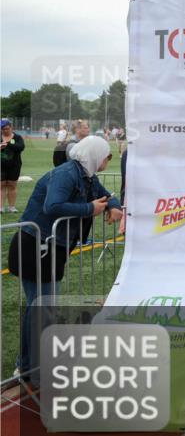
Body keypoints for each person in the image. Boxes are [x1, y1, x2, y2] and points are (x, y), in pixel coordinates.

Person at [7, 136, 122, 384]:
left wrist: (114, 206)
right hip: (35, 246)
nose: (107, 159)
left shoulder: (86, 175)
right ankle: (33, 370)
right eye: (106, 154)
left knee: (40, 307)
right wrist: (90, 209)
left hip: (49, 248)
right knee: (42, 308)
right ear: (93, 154)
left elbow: (105, 194)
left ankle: (27, 366)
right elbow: (53, 206)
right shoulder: (67, 173)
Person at [1, 119, 26, 213]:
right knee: (1, 185)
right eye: (2, 129)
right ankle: (1, 208)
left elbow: (21, 147)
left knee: (12, 186)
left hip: (14, 166)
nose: (5, 130)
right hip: (1, 166)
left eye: (7, 128)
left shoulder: (17, 137)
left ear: (11, 127)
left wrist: (7, 145)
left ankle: (11, 207)